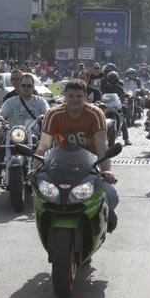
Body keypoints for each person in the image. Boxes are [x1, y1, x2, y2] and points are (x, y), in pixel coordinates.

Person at [33, 79, 119, 231]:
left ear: (85, 97)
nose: (74, 100)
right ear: (64, 96)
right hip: (61, 164)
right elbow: (44, 145)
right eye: (71, 96)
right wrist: (34, 169)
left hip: (91, 165)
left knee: (111, 195)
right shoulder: (53, 114)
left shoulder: (96, 114)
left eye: (79, 96)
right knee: (44, 194)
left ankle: (107, 214)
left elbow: (102, 146)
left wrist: (107, 171)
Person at [0, 73, 50, 183]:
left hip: (34, 133)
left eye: (29, 86)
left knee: (49, 140)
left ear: (33, 87)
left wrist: (47, 115)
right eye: (23, 85)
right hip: (13, 134)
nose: (26, 88)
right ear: (19, 86)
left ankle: (50, 171)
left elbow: (47, 112)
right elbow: (2, 113)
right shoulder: (11, 101)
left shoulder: (40, 101)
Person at [100, 71, 131, 145]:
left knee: (123, 120)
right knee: (100, 120)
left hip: (116, 106)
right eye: (111, 80)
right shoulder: (103, 88)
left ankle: (126, 139)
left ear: (117, 80)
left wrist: (124, 103)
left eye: (114, 80)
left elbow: (123, 96)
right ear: (108, 80)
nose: (112, 82)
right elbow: (100, 96)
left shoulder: (119, 88)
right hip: (106, 107)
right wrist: (100, 102)